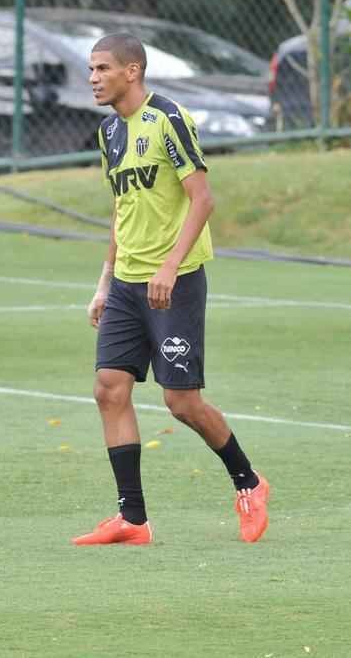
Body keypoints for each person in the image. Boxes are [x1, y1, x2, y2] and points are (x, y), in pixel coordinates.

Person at [71, 32, 270, 546]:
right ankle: (132, 520)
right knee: (108, 389)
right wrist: (103, 282)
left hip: (174, 282)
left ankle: (249, 482)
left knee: (182, 404)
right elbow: (123, 209)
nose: (92, 78)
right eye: (91, 70)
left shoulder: (169, 121)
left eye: (101, 69)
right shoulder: (108, 133)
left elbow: (202, 200)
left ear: (131, 71)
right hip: (127, 284)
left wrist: (169, 266)